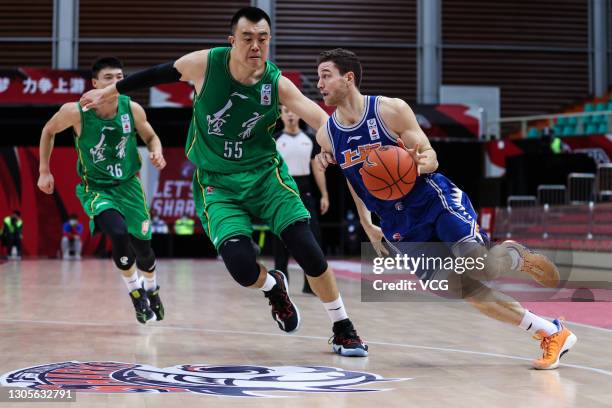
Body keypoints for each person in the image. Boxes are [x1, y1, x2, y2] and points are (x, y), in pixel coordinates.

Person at [79, 7, 367, 357]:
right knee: (243, 268)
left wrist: (336, 142)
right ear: (233, 41)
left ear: (269, 41)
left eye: (262, 38)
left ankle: (343, 327)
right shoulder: (206, 64)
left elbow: (316, 115)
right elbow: (158, 74)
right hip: (218, 182)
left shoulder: (276, 83)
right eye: (247, 38)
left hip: (265, 176)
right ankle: (273, 287)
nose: (255, 45)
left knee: (307, 249)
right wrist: (111, 92)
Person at [315, 48, 576, 369]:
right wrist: (368, 222)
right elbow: (355, 181)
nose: (320, 83)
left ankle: (514, 255)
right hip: (398, 223)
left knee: (478, 266)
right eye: (318, 77)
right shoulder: (327, 134)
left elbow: (430, 154)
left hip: (431, 199)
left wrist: (421, 162)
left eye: (326, 75)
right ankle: (551, 332)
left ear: (348, 78)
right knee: (461, 289)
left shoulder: (389, 110)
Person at [38, 57, 166, 325]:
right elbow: (48, 131)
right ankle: (135, 293)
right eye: (109, 78)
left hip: (129, 186)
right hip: (96, 187)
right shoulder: (75, 111)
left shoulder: (131, 108)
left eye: (120, 77)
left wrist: (156, 151)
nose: (116, 82)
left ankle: (152, 289)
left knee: (144, 250)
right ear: (95, 83)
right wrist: (44, 171)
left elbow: (152, 136)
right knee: (117, 233)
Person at [274, 105, 329, 294]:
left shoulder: (310, 139)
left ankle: (311, 286)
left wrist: (324, 194)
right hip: (281, 195)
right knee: (281, 242)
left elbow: (317, 169)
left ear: (299, 114)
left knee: (313, 239)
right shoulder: (275, 140)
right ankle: (281, 286)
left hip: (305, 194)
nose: (290, 114)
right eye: (285, 111)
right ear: (280, 115)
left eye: (292, 111)